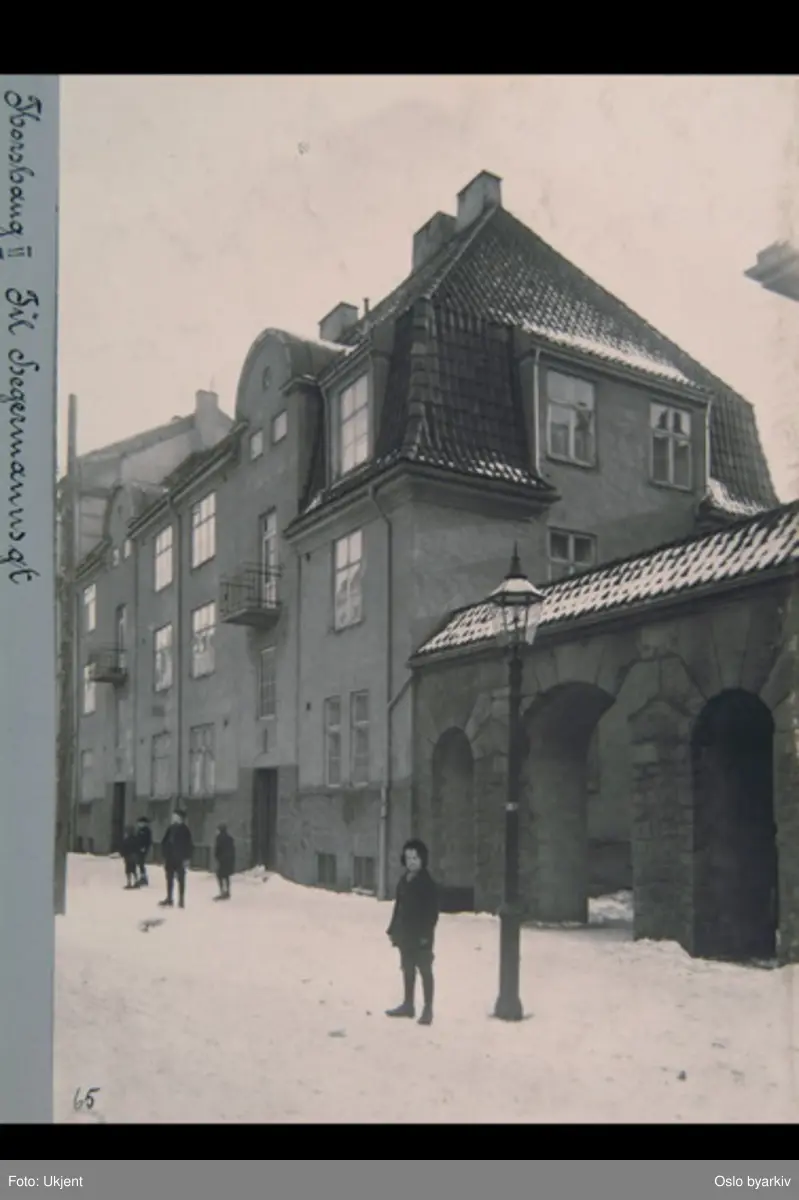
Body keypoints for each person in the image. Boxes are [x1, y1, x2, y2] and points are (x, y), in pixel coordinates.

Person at [386, 838, 439, 1026]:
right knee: (407, 968)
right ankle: (408, 1004)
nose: (411, 862)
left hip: (421, 936)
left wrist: (426, 936)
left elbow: (432, 913)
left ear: (423, 859)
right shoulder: (404, 880)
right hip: (405, 934)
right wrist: (393, 928)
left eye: (415, 858)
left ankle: (428, 1008)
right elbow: (398, 907)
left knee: (424, 969)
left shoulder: (427, 884)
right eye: (408, 858)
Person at [158, 807, 193, 909]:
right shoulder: (170, 828)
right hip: (170, 857)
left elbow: (189, 845)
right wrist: (164, 854)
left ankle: (181, 899)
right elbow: (164, 841)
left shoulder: (185, 830)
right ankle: (169, 898)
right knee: (169, 878)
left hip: (180, 858)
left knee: (181, 879)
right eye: (173, 816)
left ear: (181, 818)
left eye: (176, 816)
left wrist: (187, 858)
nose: (173, 818)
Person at [214, 823, 235, 900]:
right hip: (229, 860)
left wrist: (217, 857)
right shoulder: (230, 838)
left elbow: (218, 849)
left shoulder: (219, 838)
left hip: (222, 860)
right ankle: (227, 891)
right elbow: (232, 850)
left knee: (220, 875)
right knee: (226, 876)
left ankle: (222, 891)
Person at [135, 815, 152, 887]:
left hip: (143, 849)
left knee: (141, 863)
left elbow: (148, 840)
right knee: (139, 863)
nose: (139, 824)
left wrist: (145, 847)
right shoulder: (140, 830)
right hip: (138, 848)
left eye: (140, 823)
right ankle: (142, 876)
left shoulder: (147, 831)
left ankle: (143, 877)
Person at [121, 825, 139, 890]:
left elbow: (123, 848)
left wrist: (123, 854)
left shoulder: (126, 840)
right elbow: (138, 848)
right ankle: (136, 882)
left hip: (128, 856)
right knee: (134, 869)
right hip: (134, 856)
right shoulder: (136, 839)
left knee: (128, 870)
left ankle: (129, 883)